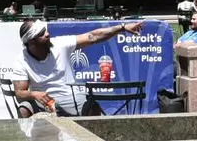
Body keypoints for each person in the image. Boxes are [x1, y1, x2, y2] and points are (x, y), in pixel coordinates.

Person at [13, 18, 145, 116]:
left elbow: (93, 36)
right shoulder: (21, 60)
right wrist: (34, 94)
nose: (47, 34)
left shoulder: (60, 44)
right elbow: (19, 93)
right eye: (42, 34)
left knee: (92, 106)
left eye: (45, 31)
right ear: (31, 41)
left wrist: (122, 27)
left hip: (71, 97)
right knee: (23, 109)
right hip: (42, 101)